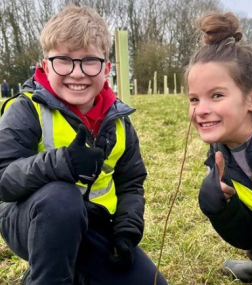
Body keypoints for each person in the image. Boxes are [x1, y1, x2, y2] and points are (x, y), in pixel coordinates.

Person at [0, 6, 168, 285]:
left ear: (107, 67)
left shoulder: (119, 121)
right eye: (63, 60)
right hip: (31, 223)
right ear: (44, 65)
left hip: (94, 227)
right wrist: (60, 163)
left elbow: (131, 183)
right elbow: (3, 178)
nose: (77, 73)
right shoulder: (26, 109)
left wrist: (126, 231)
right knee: (61, 199)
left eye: (90, 61)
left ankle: (78, 270)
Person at [186, 12, 252, 284]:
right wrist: (222, 211)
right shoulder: (222, 153)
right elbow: (250, 234)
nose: (201, 110)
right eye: (194, 98)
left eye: (216, 95)